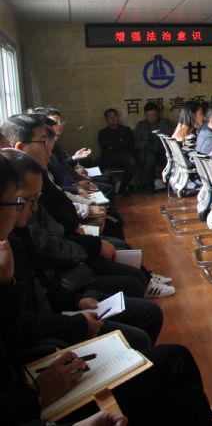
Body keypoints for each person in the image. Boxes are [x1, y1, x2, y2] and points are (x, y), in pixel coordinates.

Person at [3, 148, 163, 352]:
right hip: (49, 333)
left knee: (148, 311)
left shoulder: (18, 231)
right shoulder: (13, 240)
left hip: (59, 305)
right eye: (28, 201)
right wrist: (78, 323)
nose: (34, 208)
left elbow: (42, 284)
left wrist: (76, 301)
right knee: (142, 333)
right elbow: (20, 325)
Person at [133, 102, 174, 195]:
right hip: (148, 152)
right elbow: (136, 142)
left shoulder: (165, 123)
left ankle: (172, 184)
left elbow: (172, 138)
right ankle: (149, 186)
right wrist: (145, 143)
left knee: (172, 158)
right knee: (150, 158)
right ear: (145, 115)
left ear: (158, 113)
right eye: (149, 116)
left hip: (164, 151)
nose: (152, 118)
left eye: (154, 115)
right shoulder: (141, 126)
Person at [97, 108, 137, 195]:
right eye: (109, 117)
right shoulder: (103, 132)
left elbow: (129, 142)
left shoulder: (126, 130)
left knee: (132, 163)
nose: (112, 118)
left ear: (118, 117)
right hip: (108, 157)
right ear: (106, 119)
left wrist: (112, 145)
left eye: (114, 116)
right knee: (95, 164)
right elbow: (103, 144)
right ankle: (104, 189)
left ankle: (123, 187)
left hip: (124, 156)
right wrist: (119, 142)